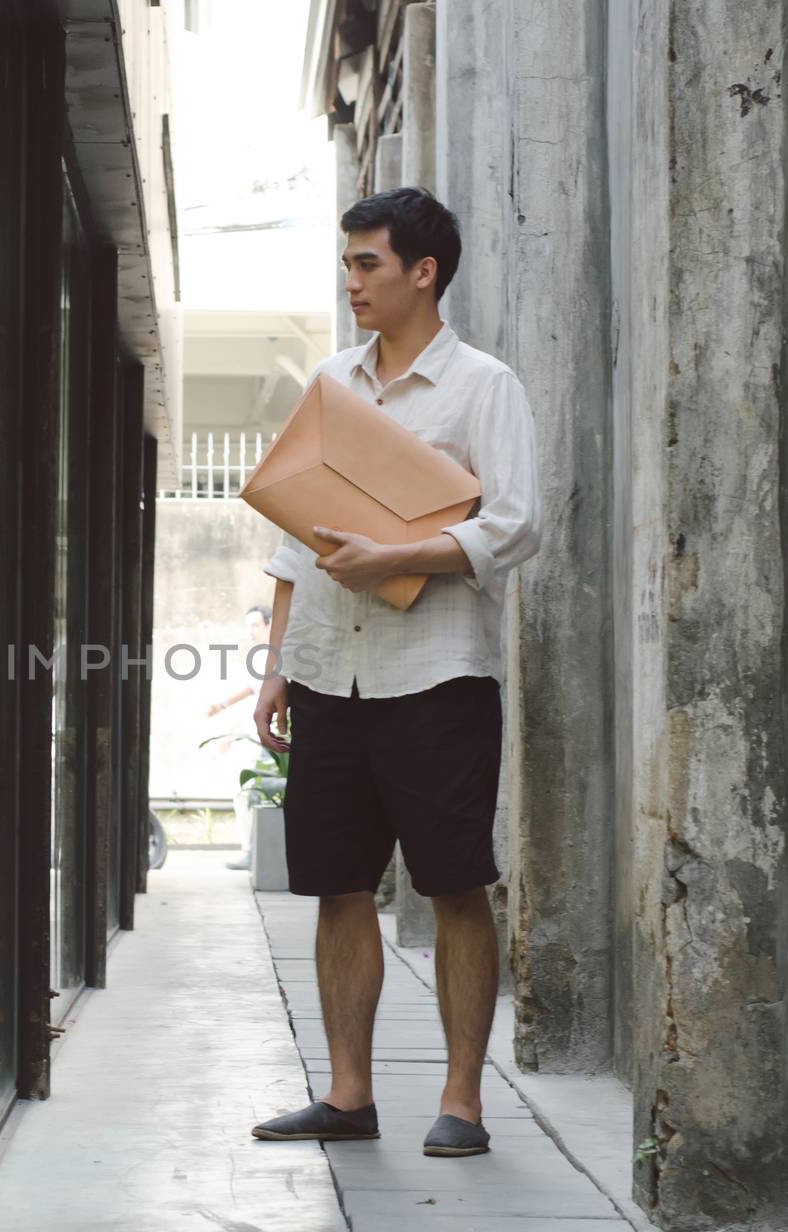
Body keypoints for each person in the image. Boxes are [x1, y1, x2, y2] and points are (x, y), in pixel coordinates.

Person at [248, 188, 540, 1157]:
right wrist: (278, 663)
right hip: (332, 669)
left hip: (438, 675)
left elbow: (514, 523)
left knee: (455, 883)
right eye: (347, 265)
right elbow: (295, 532)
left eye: (368, 264)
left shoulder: (482, 385)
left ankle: (461, 1101)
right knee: (336, 884)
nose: (351, 282)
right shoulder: (332, 381)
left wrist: (400, 558)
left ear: (424, 271)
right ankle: (346, 1094)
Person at [203, 604, 272, 869]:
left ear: (268, 624)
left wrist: (219, 704)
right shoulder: (258, 654)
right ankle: (252, 851)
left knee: (247, 794)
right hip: (250, 736)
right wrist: (230, 735)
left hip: (265, 739)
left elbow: (250, 690)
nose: (251, 632)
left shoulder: (271, 654)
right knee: (245, 793)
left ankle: (253, 852)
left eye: (255, 625)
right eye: (248, 626)